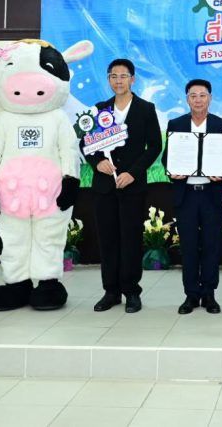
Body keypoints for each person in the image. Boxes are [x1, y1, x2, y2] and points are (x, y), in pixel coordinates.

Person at [86, 58, 162, 313]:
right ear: (108, 79)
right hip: (104, 187)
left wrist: (133, 173)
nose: (118, 81)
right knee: (107, 240)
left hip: (132, 186)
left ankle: (131, 292)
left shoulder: (145, 109)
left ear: (132, 79)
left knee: (131, 240)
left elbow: (154, 146)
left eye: (123, 76)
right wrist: (97, 162)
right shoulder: (99, 109)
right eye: (113, 76)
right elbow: (86, 143)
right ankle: (111, 291)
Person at [163, 79, 222, 314]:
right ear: (187, 99)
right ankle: (191, 295)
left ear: (210, 98)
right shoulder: (176, 124)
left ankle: (209, 294)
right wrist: (171, 171)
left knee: (212, 245)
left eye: (202, 95)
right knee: (189, 246)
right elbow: (167, 157)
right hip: (186, 195)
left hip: (211, 195)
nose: (198, 100)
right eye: (193, 95)